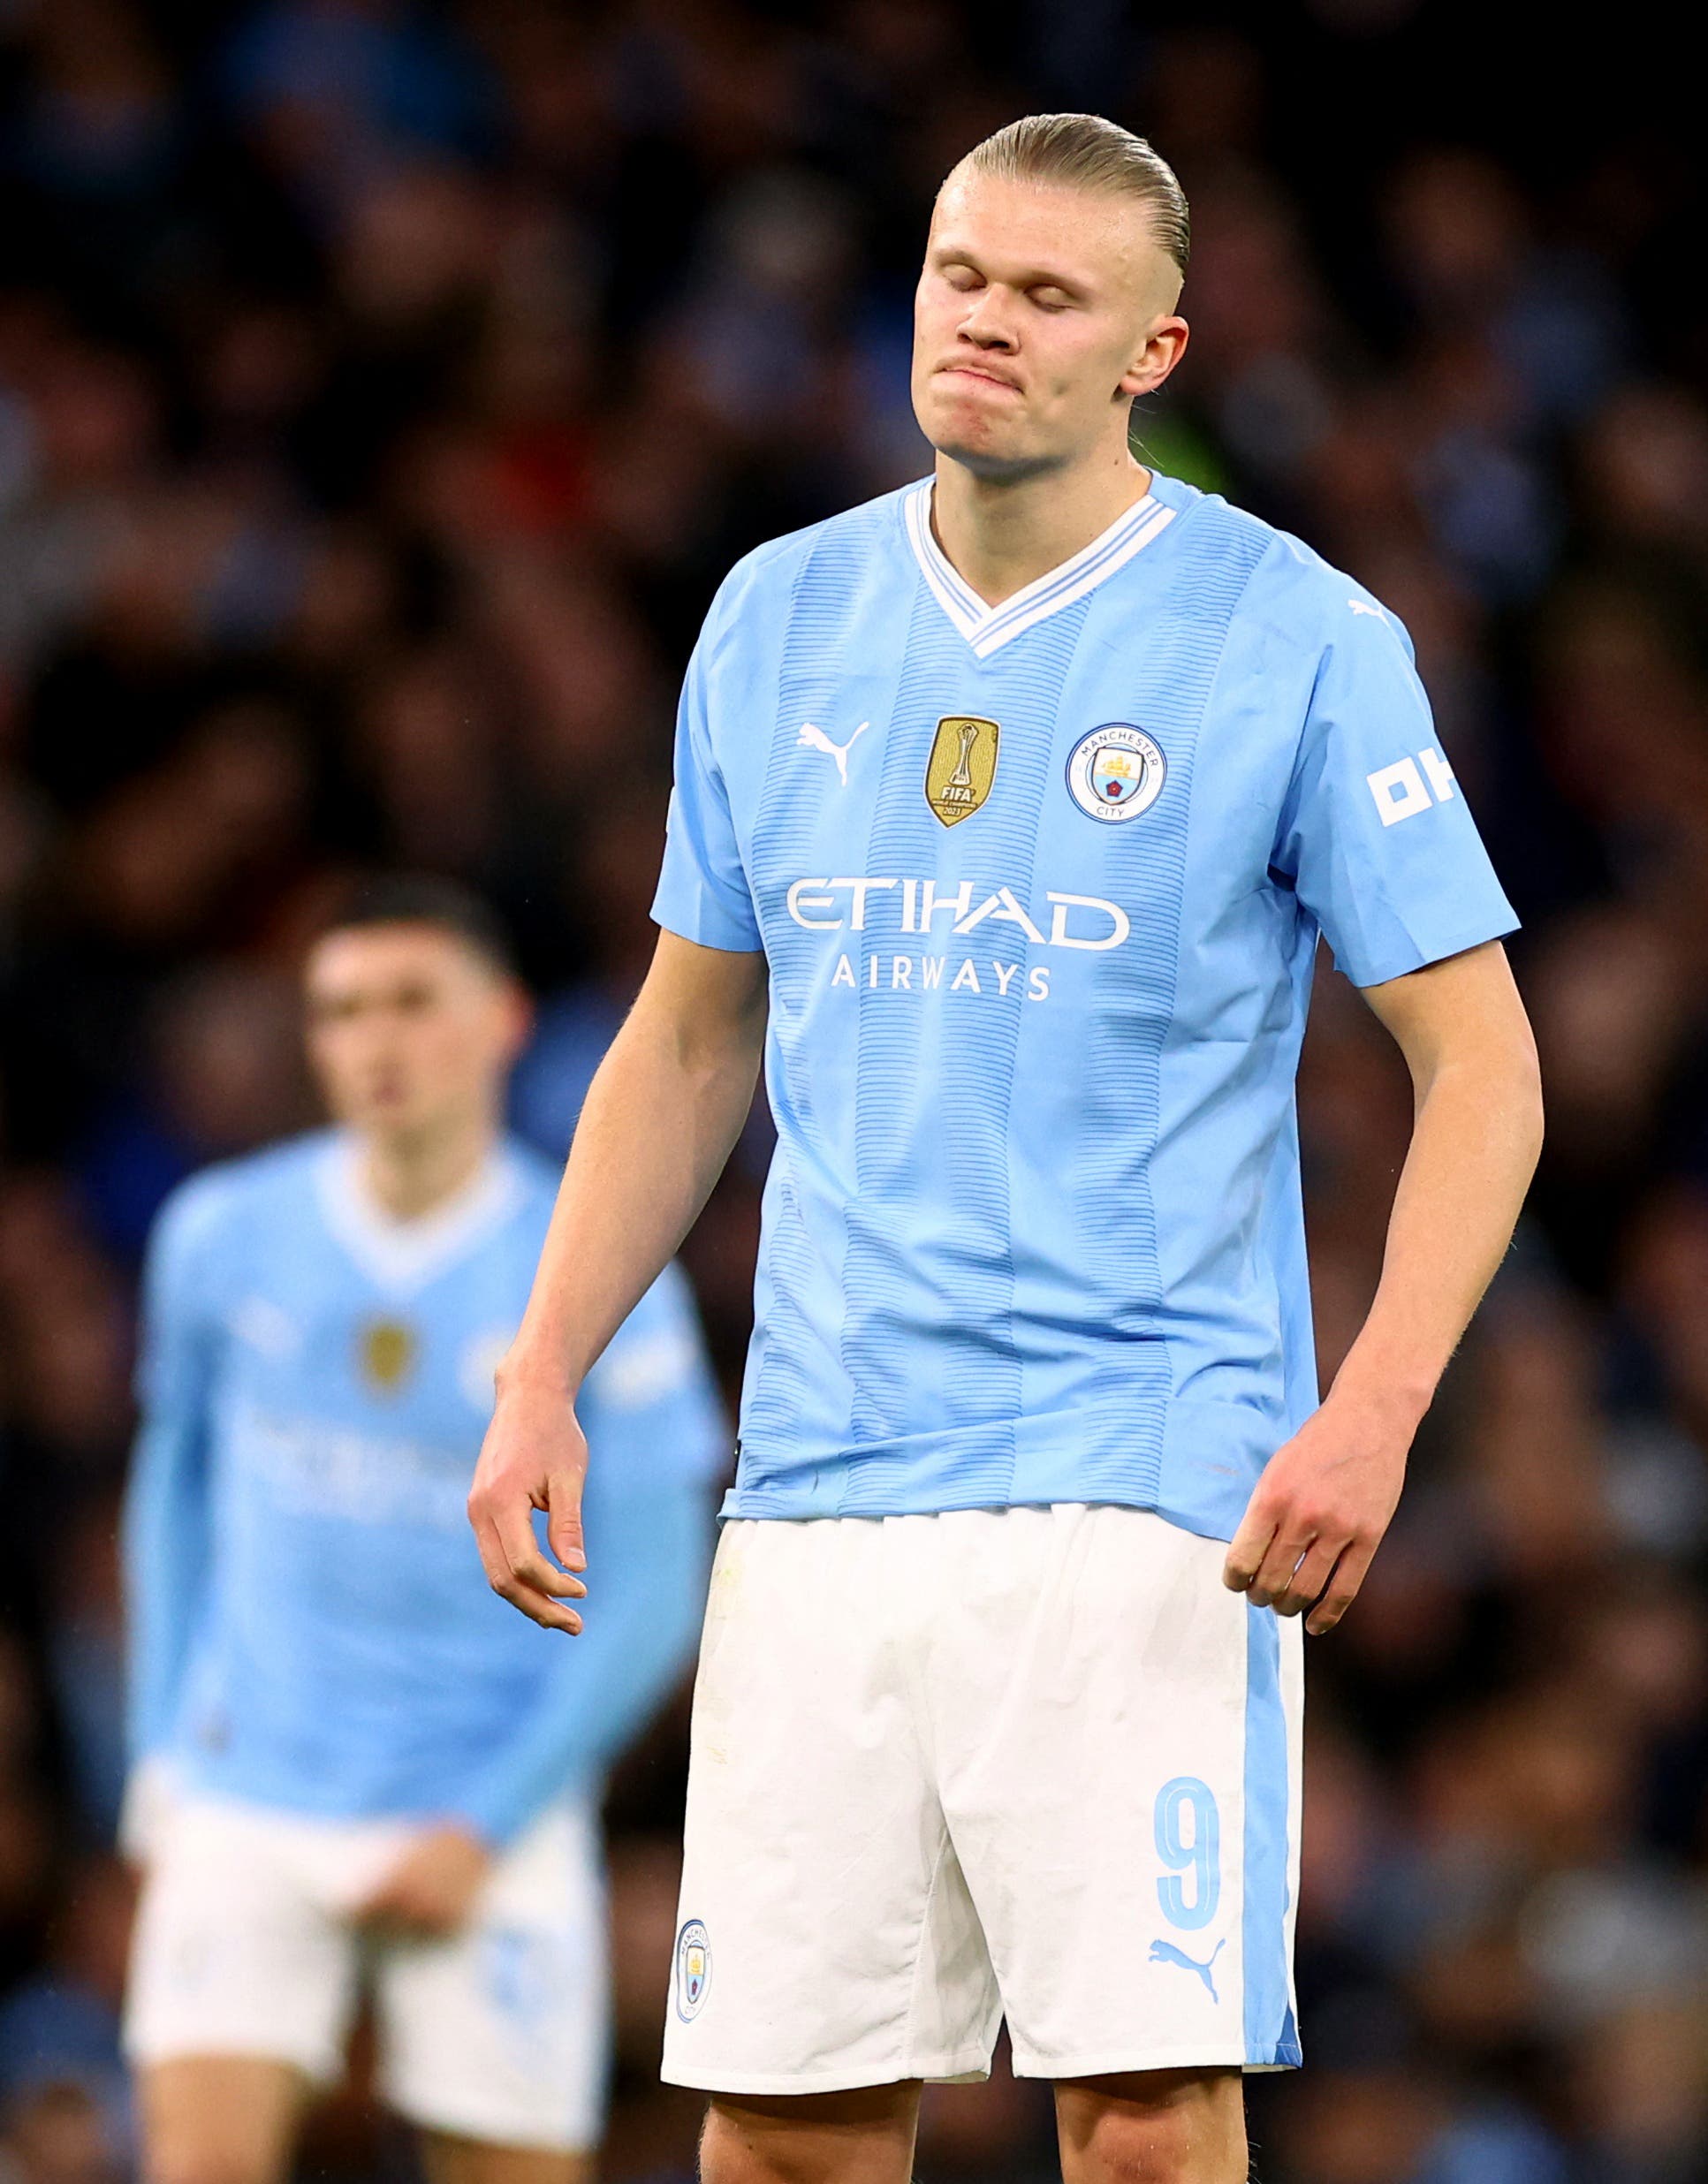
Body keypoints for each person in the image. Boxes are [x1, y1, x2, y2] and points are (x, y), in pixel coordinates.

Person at [467, 112, 1545, 2184]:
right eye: (960, 274)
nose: (984, 322)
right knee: (781, 2136)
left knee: (1139, 2125)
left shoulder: (1295, 637)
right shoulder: (778, 618)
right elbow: (689, 1036)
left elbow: (1482, 1064)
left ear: (1152, 350)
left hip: (1141, 1480)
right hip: (823, 1473)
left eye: (1048, 295)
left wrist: (1374, 1410)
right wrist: (538, 1372)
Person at [122, 876, 725, 2184]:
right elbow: (169, 1487)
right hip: (251, 1788)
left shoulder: (594, 1267)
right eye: (342, 1011)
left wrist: (492, 1813)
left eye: (411, 1002)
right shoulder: (220, 1238)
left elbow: (661, 1575)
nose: (377, 1042)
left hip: (484, 1810)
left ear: (502, 1020)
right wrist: (162, 1740)